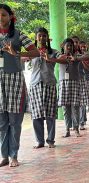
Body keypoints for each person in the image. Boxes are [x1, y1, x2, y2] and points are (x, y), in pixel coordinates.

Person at [0, 4, 40, 167]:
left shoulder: (19, 34)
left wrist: (17, 53)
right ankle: (4, 156)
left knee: (15, 121)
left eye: (3, 14)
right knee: (2, 123)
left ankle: (14, 155)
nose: (0, 18)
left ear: (10, 16)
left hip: (15, 79)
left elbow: (36, 52)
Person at [28, 27, 60, 149]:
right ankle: (39, 141)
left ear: (47, 38)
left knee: (50, 113)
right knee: (36, 114)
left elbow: (62, 59)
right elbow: (21, 57)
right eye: (39, 35)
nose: (42, 38)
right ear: (36, 38)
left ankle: (51, 140)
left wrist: (50, 58)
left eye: (44, 36)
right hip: (35, 84)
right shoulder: (32, 52)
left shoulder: (54, 51)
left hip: (49, 84)